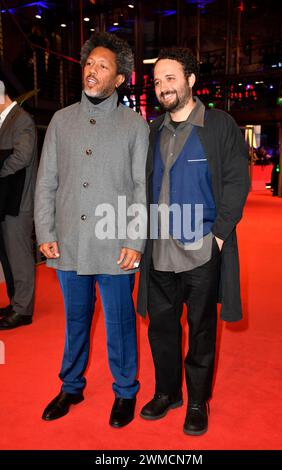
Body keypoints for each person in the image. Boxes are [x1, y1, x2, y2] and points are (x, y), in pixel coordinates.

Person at [34, 32, 148, 427]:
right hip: (68, 243)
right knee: (75, 319)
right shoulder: (62, 121)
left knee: (119, 322)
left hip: (117, 245)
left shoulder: (135, 126)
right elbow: (46, 181)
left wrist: (135, 239)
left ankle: (125, 390)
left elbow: (141, 187)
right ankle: (71, 385)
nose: (93, 71)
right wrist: (45, 231)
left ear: (119, 79)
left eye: (103, 66)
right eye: (89, 64)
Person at [137, 48, 250, 436]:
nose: (163, 87)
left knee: (201, 330)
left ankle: (198, 400)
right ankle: (168, 393)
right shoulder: (151, 130)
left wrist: (217, 237)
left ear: (190, 81)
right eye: (157, 81)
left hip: (202, 249)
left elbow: (237, 182)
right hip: (159, 252)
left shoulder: (219, 125)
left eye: (170, 78)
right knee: (161, 328)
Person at [0, 79, 37, 329]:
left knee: (19, 255)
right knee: (9, 256)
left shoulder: (21, 119)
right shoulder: (6, 120)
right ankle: (16, 302)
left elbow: (21, 157)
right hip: (6, 200)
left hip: (19, 201)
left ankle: (23, 310)